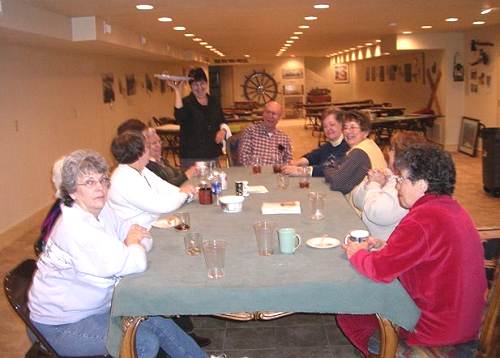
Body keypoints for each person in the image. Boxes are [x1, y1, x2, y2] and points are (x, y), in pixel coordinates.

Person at [28, 150, 205, 357]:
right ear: (72, 191)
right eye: (89, 182)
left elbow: (141, 234)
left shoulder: (101, 210)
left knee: (156, 319)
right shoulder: (75, 227)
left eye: (103, 180)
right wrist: (131, 245)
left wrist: (132, 244)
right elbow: (135, 263)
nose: (100, 188)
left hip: (94, 308)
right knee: (144, 342)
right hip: (61, 325)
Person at [338, 144, 487, 357]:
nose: (397, 186)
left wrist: (356, 252)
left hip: (436, 332)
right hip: (465, 321)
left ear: (422, 185)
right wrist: (386, 246)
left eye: (402, 180)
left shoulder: (422, 220)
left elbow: (379, 270)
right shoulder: (451, 209)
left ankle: (392, 352)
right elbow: (427, 255)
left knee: (349, 310)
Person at [108, 131, 196, 229]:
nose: (149, 151)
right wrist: (183, 194)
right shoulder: (124, 179)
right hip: (138, 232)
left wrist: (183, 191)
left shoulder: (139, 169)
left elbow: (163, 186)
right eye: (147, 148)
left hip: (151, 222)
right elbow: (162, 206)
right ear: (139, 154)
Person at [351, 131, 427, 240]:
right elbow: (357, 201)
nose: (388, 152)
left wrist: (374, 185)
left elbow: (376, 214)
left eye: (391, 149)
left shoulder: (406, 187)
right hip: (370, 239)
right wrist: (368, 183)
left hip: (383, 246)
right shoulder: (390, 176)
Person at [323, 110, 386, 211]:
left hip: (361, 214)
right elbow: (335, 167)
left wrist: (331, 170)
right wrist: (334, 170)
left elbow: (338, 184)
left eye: (352, 127)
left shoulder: (359, 153)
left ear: (365, 132)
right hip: (373, 205)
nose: (347, 131)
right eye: (345, 128)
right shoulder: (369, 145)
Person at [167, 68, 228, 169]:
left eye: (202, 83)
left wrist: (223, 130)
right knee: (194, 184)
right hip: (191, 156)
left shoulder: (214, 102)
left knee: (213, 182)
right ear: (190, 86)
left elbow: (222, 120)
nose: (199, 87)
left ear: (206, 83)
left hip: (212, 153)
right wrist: (177, 91)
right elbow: (179, 118)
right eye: (195, 84)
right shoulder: (186, 102)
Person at [118, 118, 197, 186]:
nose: (158, 146)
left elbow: (161, 188)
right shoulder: (131, 174)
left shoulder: (141, 167)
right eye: (150, 143)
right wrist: (186, 176)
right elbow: (163, 190)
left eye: (159, 142)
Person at [281, 107, 348, 177]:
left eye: (332, 125)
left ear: (342, 125)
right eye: (325, 126)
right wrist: (297, 163)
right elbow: (314, 155)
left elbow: (330, 168)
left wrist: (300, 171)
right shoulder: (329, 145)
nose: (328, 129)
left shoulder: (347, 146)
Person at [238, 101, 293, 166]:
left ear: (279, 117)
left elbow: (288, 161)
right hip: (256, 173)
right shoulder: (250, 132)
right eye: (267, 112)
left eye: (274, 113)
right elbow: (243, 158)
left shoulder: (284, 138)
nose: (270, 116)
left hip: (276, 174)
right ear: (263, 114)